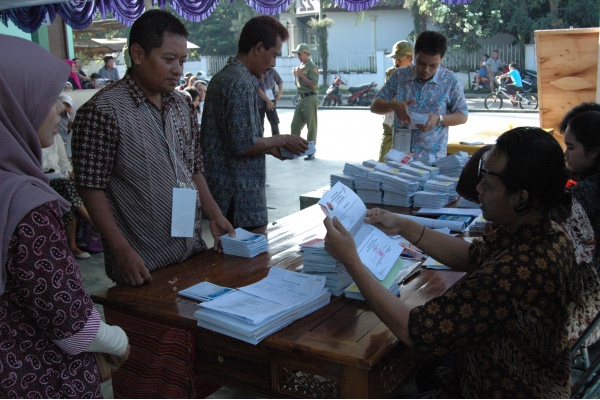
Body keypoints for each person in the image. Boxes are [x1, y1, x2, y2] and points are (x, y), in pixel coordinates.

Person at [324, 127, 577, 398]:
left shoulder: (516, 272)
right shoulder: (546, 233)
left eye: (488, 185)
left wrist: (352, 261)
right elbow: (471, 255)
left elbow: (415, 330)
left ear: (520, 197)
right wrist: (404, 225)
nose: (478, 189)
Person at [0, 34, 129, 398]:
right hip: (34, 377)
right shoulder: (25, 204)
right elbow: (71, 322)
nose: (59, 109)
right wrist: (119, 342)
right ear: (13, 102)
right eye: (47, 97)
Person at [72, 9, 235, 287]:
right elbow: (91, 188)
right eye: (169, 59)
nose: (178, 70)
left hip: (191, 249)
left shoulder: (182, 105)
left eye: (182, 61)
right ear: (137, 54)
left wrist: (216, 215)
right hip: (141, 261)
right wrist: (121, 250)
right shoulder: (103, 111)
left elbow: (193, 168)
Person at [201, 16, 309, 233]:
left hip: (225, 195)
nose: (274, 63)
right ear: (259, 48)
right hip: (239, 198)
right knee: (250, 263)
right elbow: (242, 144)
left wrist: (271, 147)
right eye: (274, 54)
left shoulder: (226, 77)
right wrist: (284, 139)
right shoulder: (239, 83)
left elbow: (233, 137)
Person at [371, 31, 468, 158]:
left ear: (441, 59)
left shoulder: (450, 81)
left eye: (433, 65)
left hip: (433, 158)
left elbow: (462, 115)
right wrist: (393, 105)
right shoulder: (399, 76)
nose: (426, 70)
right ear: (414, 56)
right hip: (400, 157)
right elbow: (375, 106)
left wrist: (439, 119)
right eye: (421, 63)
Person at [42, 127, 96, 259]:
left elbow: (64, 163)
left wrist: (67, 173)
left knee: (67, 189)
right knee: (66, 187)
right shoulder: (30, 135)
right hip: (40, 178)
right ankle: (94, 222)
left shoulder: (57, 137)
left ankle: (73, 244)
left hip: (58, 178)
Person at [379, 40, 414, 161]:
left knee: (404, 160)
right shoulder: (390, 73)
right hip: (390, 119)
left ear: (410, 59)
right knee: (384, 158)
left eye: (400, 59)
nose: (396, 61)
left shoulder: (417, 74)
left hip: (408, 121)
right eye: (395, 58)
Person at [290, 43, 319, 160]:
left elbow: (313, 85)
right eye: (297, 54)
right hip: (301, 98)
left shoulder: (312, 66)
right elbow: (298, 84)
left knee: (311, 125)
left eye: (300, 53)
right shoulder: (301, 66)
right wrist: (296, 76)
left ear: (306, 54)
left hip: (310, 98)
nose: (298, 56)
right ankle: (295, 149)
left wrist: (301, 75)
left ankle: (310, 150)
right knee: (295, 125)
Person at [254, 67, 283, 136]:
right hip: (259, 101)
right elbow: (258, 89)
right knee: (260, 125)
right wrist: (268, 101)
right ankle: (261, 142)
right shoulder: (256, 72)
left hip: (271, 100)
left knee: (274, 123)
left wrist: (280, 93)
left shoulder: (272, 71)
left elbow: (280, 81)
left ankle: (276, 142)